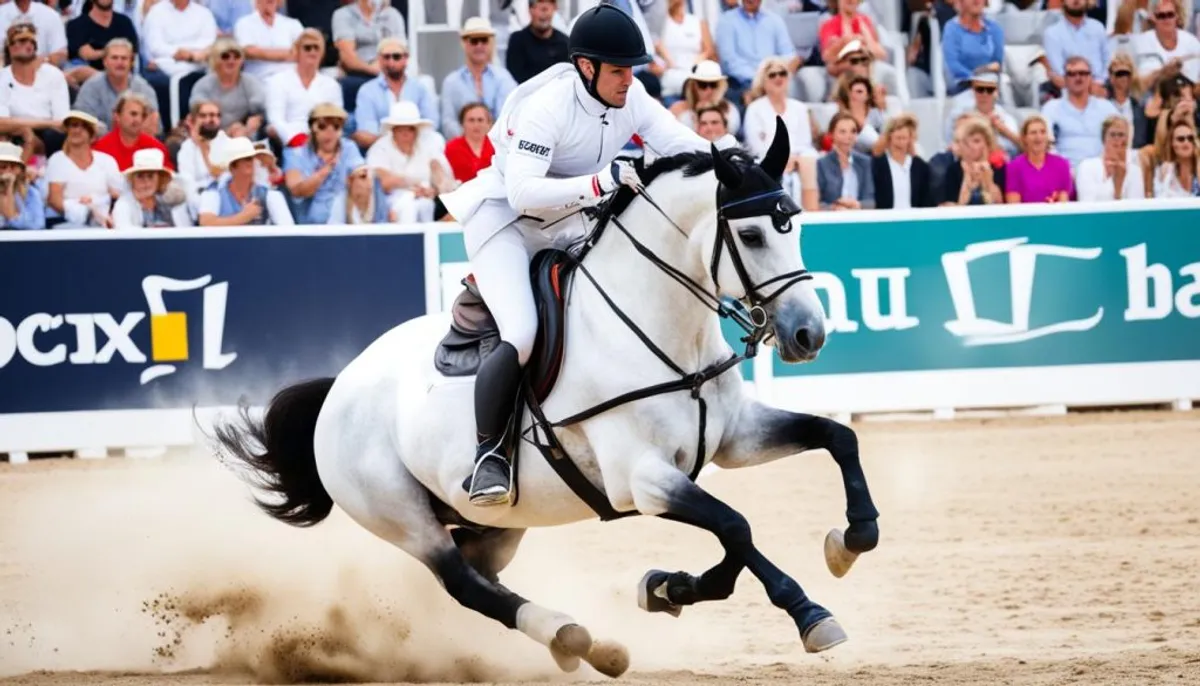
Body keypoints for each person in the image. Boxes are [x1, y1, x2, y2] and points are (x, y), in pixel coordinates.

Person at [438, 3, 735, 507]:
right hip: (505, 223)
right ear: (587, 67)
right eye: (619, 70)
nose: (629, 79)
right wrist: (601, 181)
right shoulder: (548, 107)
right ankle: (489, 456)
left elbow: (679, 145)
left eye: (632, 69)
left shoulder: (632, 96)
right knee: (523, 332)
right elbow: (523, 194)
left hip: (568, 220)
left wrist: (734, 160)